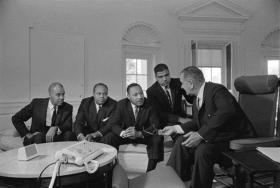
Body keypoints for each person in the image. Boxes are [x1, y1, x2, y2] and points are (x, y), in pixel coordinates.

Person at [161, 66, 256, 188]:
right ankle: (171, 183)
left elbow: (227, 111)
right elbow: (197, 122)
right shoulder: (197, 100)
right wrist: (176, 128)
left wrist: (200, 135)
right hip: (217, 137)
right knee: (181, 141)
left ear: (190, 83)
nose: (181, 87)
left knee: (202, 150)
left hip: (234, 139)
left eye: (182, 83)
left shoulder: (217, 90)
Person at [104, 83, 163, 172]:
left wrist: (139, 134)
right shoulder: (121, 104)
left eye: (141, 93)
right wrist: (123, 133)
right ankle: (109, 169)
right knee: (109, 137)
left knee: (156, 139)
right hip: (126, 135)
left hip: (143, 135)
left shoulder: (150, 104)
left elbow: (155, 125)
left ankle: (151, 172)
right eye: (135, 95)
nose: (140, 97)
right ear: (128, 96)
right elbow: (113, 123)